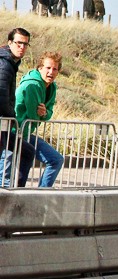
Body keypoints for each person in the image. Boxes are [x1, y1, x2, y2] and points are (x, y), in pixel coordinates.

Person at [13, 51, 64, 187]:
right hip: (14, 131)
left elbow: (48, 112)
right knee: (11, 171)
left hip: (26, 132)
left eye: (55, 69)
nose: (51, 72)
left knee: (56, 160)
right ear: (40, 68)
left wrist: (44, 113)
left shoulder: (52, 87)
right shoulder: (33, 84)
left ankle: (42, 192)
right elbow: (33, 116)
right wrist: (42, 114)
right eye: (48, 68)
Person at [0, 28, 36, 188]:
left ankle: (16, 192)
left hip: (5, 122)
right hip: (3, 120)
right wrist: (12, 116)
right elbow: (1, 96)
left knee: (27, 152)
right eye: (18, 43)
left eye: (25, 44)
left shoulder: (10, 62)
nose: (22, 47)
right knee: (24, 153)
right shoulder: (5, 64)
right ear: (10, 43)